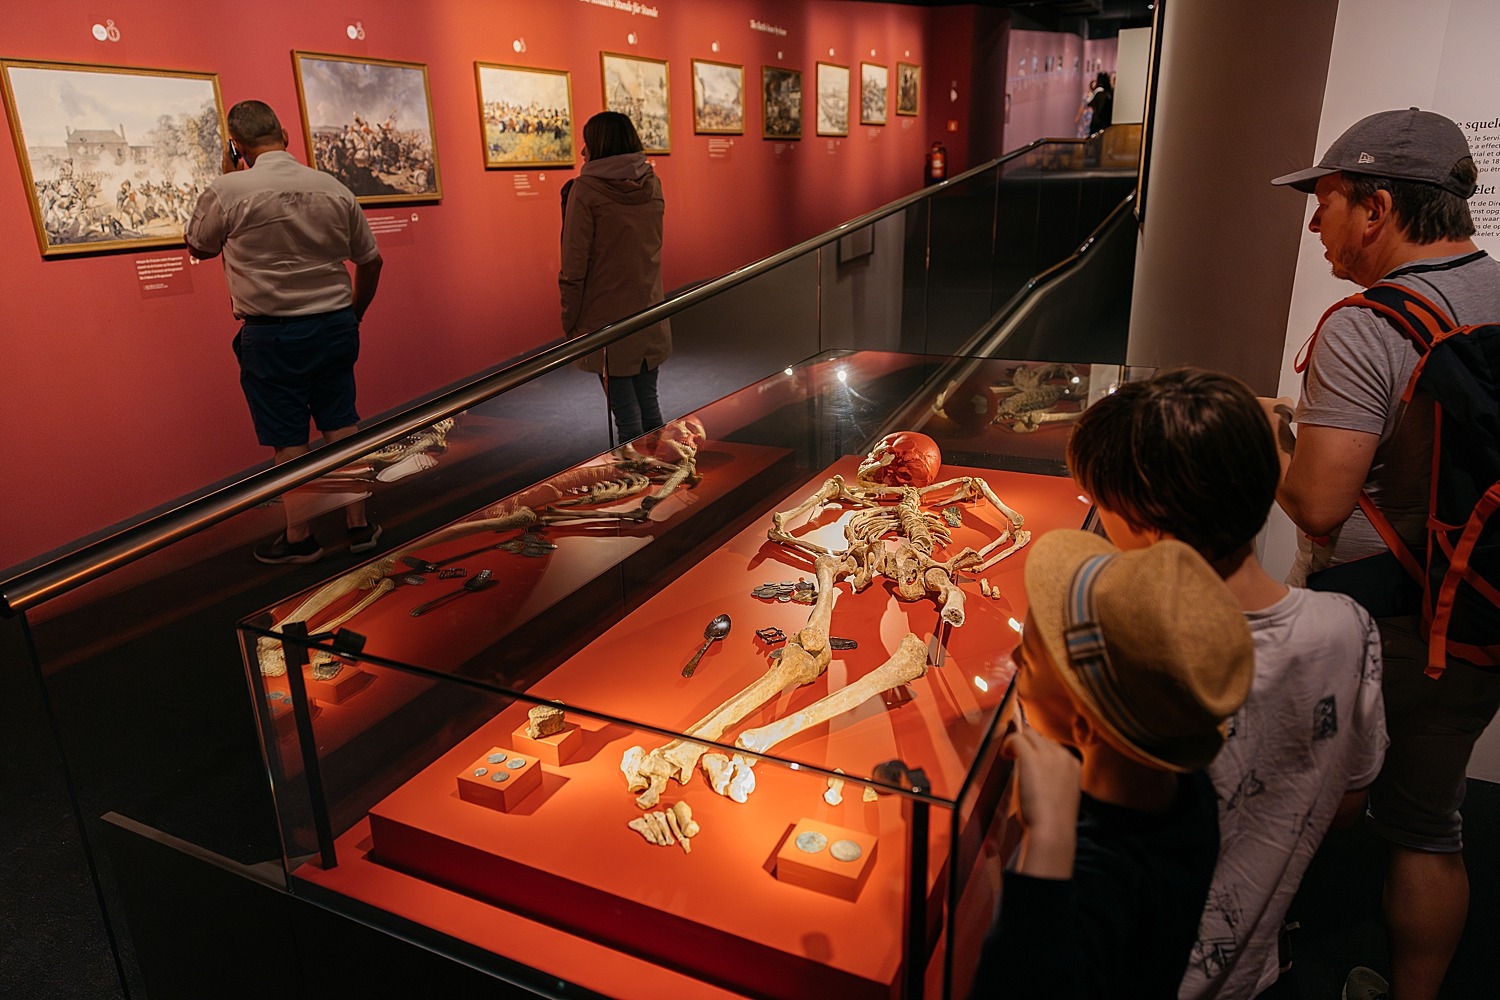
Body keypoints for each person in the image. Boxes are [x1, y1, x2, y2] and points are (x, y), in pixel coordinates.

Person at [1265, 107, 1500, 1000]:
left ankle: (1271, 954)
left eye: (1323, 201)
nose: (1313, 223)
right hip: (1475, 607)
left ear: (1375, 207)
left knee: (1312, 791)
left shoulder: (1366, 326)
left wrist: (1268, 440)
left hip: (1373, 617)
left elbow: (1321, 503)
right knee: (1431, 824)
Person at [1067, 368, 1387, 1000]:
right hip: (1250, 964)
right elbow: (1350, 802)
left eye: (1100, 504)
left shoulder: (1129, 660)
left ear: (1140, 520)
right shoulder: (1347, 627)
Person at [969, 530, 1255, 999]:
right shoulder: (1187, 793)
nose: (1016, 657)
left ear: (1084, 728)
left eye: (1032, 661)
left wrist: (1049, 843)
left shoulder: (1098, 888)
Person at [186, 100, 384, 564]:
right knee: (341, 423)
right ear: (286, 136)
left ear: (237, 145)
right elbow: (370, 261)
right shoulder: (331, 187)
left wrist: (225, 171)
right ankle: (358, 526)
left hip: (272, 333)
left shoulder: (227, 189)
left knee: (289, 438)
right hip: (335, 323)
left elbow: (199, 246)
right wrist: (355, 312)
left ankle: (301, 537)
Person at [559, 111, 671, 445]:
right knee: (649, 407)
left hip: (606, 319)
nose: (582, 152)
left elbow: (574, 266)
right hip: (649, 312)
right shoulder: (652, 183)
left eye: (587, 142)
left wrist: (570, 319)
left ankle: (638, 485)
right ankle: (664, 473)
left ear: (601, 145)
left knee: (625, 416)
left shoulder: (586, 191)